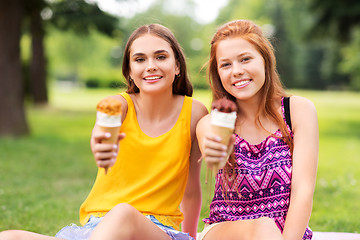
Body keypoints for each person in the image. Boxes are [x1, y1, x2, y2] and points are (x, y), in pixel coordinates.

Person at [0, 24, 207, 240]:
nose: (151, 66)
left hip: (157, 231)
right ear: (129, 71)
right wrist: (100, 141)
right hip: (97, 229)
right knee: (8, 237)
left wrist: (190, 236)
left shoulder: (193, 113)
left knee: (124, 213)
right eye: (139, 59)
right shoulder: (119, 105)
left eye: (161, 57)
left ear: (177, 66)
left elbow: (190, 189)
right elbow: (104, 127)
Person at [196, 20, 319, 240]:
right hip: (224, 232)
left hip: (283, 235)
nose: (236, 71)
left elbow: (303, 191)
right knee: (263, 227)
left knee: (266, 229)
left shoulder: (298, 111)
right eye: (225, 65)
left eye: (245, 59)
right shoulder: (214, 122)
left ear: (265, 60)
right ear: (218, 73)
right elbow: (209, 137)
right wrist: (214, 145)